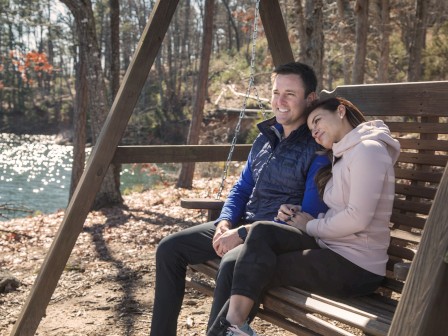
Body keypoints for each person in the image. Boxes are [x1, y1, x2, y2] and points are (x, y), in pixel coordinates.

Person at [149, 62, 329, 336]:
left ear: (310, 98)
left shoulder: (317, 146)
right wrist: (225, 221)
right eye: (275, 91)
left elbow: (308, 213)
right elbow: (241, 188)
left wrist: (243, 235)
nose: (279, 101)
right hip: (241, 224)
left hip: (275, 241)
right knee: (170, 249)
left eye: (290, 94)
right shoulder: (265, 139)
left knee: (232, 263)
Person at [209, 97, 400, 336]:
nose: (315, 131)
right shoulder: (343, 154)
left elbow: (357, 217)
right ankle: (234, 326)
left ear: (340, 111)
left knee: (254, 267)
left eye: (318, 121)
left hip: (357, 266)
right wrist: (297, 213)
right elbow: (339, 210)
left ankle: (229, 329)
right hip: (332, 251)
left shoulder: (369, 150)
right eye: (310, 128)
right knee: (262, 231)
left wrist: (311, 225)